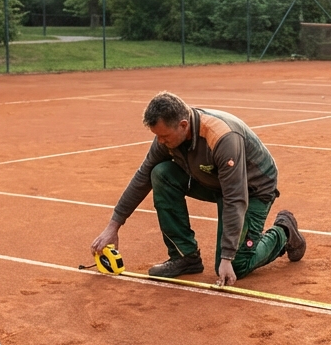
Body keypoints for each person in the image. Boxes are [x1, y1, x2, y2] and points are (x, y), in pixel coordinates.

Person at [89, 91, 306, 286]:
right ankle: (185, 257)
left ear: (183, 125)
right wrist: (113, 226)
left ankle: (284, 232)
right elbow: (142, 177)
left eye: (164, 136)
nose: (160, 141)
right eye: (157, 136)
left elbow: (235, 198)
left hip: (252, 189)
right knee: (160, 174)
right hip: (213, 180)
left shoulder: (222, 138)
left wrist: (228, 257)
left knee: (238, 265)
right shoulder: (167, 138)